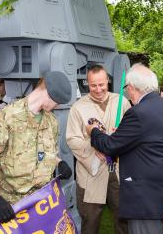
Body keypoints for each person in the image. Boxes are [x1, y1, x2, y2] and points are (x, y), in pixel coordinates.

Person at [86, 63, 163, 234]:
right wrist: (121, 135)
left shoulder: (138, 112)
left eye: (126, 88)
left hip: (145, 197)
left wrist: (94, 131)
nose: (127, 91)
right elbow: (148, 141)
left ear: (132, 87)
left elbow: (109, 146)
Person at [0, 71, 73, 223]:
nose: (57, 105)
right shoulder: (8, 117)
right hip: (12, 206)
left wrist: (58, 162)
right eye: (57, 101)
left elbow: (45, 153)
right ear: (48, 93)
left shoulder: (51, 121)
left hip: (42, 203)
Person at [66, 65, 130, 234]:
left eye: (102, 84)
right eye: (93, 85)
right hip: (91, 173)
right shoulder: (78, 108)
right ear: (87, 83)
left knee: (123, 220)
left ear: (107, 81)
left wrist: (122, 136)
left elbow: (133, 131)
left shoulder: (122, 102)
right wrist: (93, 149)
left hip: (118, 170)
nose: (98, 89)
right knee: (90, 221)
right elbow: (72, 139)